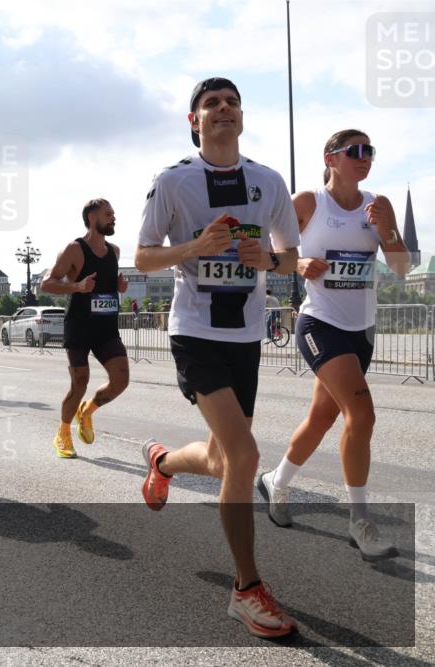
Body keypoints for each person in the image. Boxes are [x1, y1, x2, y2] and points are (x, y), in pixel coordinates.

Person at [135, 77, 300, 638]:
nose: (223, 108)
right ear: (194, 121)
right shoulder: (173, 181)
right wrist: (194, 248)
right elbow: (143, 255)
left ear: (242, 117)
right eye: (212, 103)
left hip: (245, 336)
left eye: (232, 102)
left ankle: (160, 464)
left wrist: (269, 259)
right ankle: (246, 589)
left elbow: (291, 261)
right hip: (195, 332)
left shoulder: (268, 181)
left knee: (224, 459)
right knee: (247, 455)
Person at [259, 129, 409, 560]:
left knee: (323, 417)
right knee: (361, 413)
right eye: (355, 151)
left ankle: (277, 482)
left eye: (370, 152)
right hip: (320, 322)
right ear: (330, 158)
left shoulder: (377, 205)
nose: (365, 158)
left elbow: (400, 268)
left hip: (362, 330)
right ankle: (360, 522)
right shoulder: (308, 202)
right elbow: (275, 252)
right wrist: (300, 261)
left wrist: (388, 231)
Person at [42, 198, 130, 458]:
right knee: (79, 382)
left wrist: (118, 287)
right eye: (108, 213)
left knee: (121, 380)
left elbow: (106, 285)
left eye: (114, 213)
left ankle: (87, 411)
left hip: (106, 327)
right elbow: (48, 283)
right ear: (92, 218)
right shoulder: (74, 249)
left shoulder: (114, 251)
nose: (114, 217)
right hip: (79, 326)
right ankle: (63, 433)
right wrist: (77, 287)